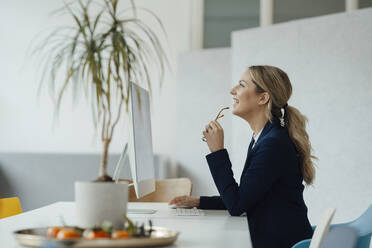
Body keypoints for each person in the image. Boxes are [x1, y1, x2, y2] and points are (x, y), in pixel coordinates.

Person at [169, 65, 316, 248]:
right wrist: (200, 202)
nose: (233, 91)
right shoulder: (263, 138)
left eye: (241, 85)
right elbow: (246, 197)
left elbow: (237, 205)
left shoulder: (272, 144)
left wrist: (217, 152)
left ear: (263, 98)